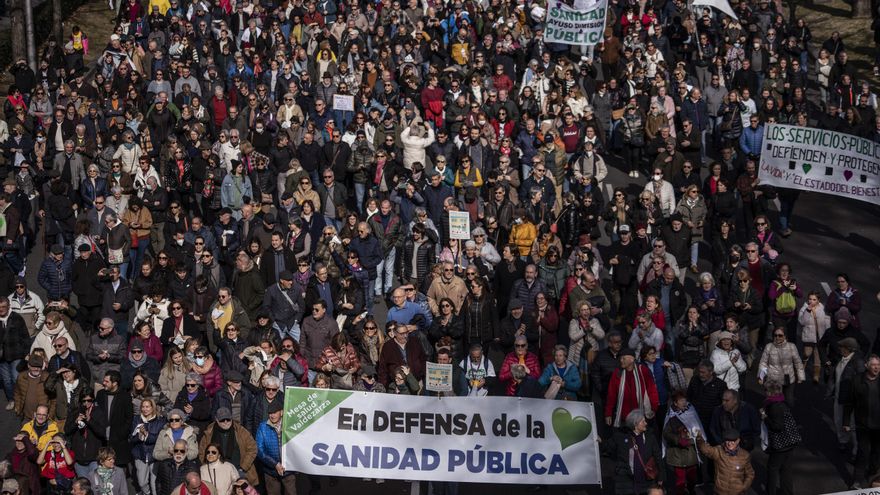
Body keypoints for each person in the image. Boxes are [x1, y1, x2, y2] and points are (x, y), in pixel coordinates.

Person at [605, 410, 666, 492]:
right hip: (626, 482)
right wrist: (618, 469)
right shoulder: (621, 437)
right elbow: (607, 450)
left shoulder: (650, 437)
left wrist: (661, 476)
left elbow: (658, 456)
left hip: (646, 481)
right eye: (643, 421)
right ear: (635, 424)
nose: (646, 423)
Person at [762, 380, 801, 495]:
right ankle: (787, 492)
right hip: (789, 442)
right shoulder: (782, 402)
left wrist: (765, 417)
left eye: (765, 390)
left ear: (769, 392)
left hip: (780, 445)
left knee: (772, 469)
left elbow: (777, 427)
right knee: (786, 470)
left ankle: (771, 492)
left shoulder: (773, 406)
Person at [605, 348, 660, 428]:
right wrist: (608, 413)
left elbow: (652, 390)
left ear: (632, 359)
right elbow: (611, 395)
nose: (621, 360)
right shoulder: (617, 373)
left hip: (642, 416)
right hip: (624, 417)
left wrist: (654, 408)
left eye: (623, 358)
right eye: (620, 358)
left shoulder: (643, 371)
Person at [696, 428, 755, 495]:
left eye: (733, 441)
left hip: (737, 493)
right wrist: (699, 438)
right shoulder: (718, 451)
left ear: (738, 441)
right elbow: (705, 449)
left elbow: (750, 474)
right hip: (720, 492)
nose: (730, 444)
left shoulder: (745, 455)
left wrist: (744, 487)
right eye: (727, 441)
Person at [256, 401, 296, 495]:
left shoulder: (290, 424)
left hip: (288, 470)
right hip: (270, 471)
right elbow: (260, 450)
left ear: (281, 412)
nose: (272, 415)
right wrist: (275, 464)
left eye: (275, 412)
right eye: (270, 413)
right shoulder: (262, 427)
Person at [758, 327, 805, 404]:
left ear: (785, 336)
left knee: (789, 401)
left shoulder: (791, 346)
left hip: (788, 378)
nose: (777, 337)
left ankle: (788, 415)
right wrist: (761, 376)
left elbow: (798, 362)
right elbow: (763, 363)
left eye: (780, 335)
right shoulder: (769, 347)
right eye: (775, 335)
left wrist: (801, 376)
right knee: (773, 401)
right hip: (773, 379)